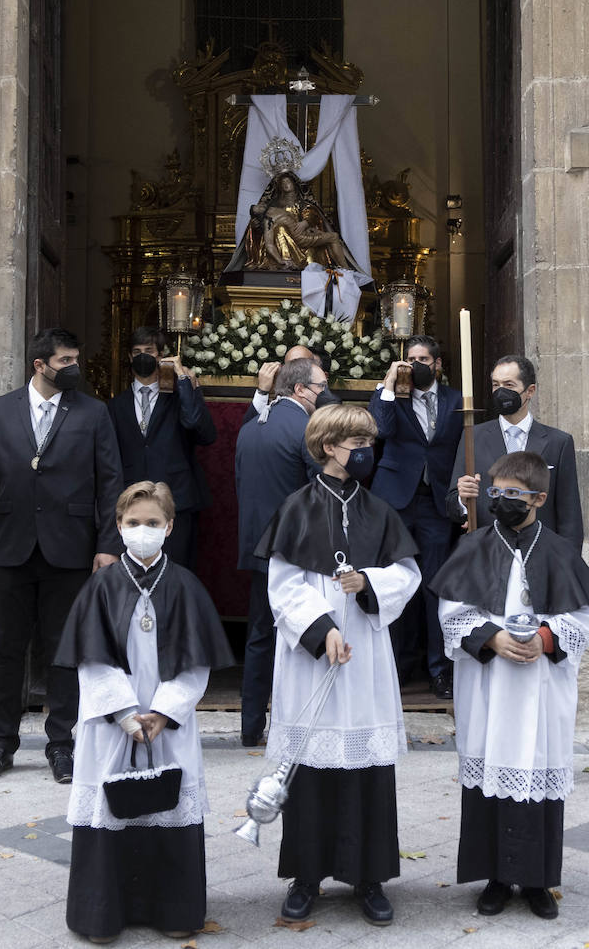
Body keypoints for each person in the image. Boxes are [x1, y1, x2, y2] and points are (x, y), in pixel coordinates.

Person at [255, 404, 420, 926]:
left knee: (368, 767)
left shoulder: (380, 509)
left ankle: (368, 878)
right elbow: (281, 588)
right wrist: (322, 628)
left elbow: (408, 573)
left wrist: (370, 582)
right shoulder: (295, 508)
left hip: (365, 653)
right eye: (359, 443)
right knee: (310, 761)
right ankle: (306, 876)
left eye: (371, 441)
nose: (368, 453)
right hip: (314, 656)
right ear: (329, 447)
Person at [56, 481, 234, 944]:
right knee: (109, 811)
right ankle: (103, 914)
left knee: (170, 806)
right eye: (133, 523)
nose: (142, 531)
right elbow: (91, 659)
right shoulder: (102, 586)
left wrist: (163, 711)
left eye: (152, 523)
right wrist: (124, 715)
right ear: (118, 526)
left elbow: (197, 663)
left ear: (169, 527)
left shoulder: (186, 586)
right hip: (113, 723)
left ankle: (174, 909)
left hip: (167, 724)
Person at [0, 326, 123, 783]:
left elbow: (110, 483)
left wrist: (108, 546)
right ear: (39, 365)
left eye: (75, 359)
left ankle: (61, 744)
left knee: (64, 650)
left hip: (71, 547)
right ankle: (1, 744)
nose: (74, 368)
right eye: (65, 361)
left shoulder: (94, 412)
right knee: (7, 650)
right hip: (14, 547)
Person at [433, 451, 589, 920]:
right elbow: (450, 613)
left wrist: (547, 638)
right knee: (491, 769)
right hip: (490, 680)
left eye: (513, 493)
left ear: (539, 498)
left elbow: (586, 616)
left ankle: (536, 881)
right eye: (496, 492)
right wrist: (492, 636)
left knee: (537, 771)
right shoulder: (472, 547)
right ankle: (493, 878)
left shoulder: (559, 551)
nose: (502, 501)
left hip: (541, 685)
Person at [234, 357, 325, 746]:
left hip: (258, 548)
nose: (323, 394)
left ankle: (250, 726)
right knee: (303, 634)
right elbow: (320, 493)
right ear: (300, 389)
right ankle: (301, 723)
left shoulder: (251, 427)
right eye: (320, 387)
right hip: (297, 550)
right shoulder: (306, 430)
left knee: (259, 637)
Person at [368, 335, 465, 698]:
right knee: (394, 584)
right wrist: (389, 385)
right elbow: (381, 429)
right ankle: (395, 666)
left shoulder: (456, 400)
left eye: (424, 357)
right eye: (411, 358)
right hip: (395, 501)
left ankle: (439, 669)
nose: (417, 363)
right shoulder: (393, 395)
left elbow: (460, 450)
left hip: (436, 504)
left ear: (437, 364)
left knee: (434, 586)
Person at [107, 327, 216, 570]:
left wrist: (183, 380)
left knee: (176, 574)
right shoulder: (115, 405)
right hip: (132, 503)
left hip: (176, 501)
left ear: (161, 356)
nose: (142, 356)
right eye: (137, 352)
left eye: (149, 351)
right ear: (129, 358)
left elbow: (205, 434)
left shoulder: (180, 398)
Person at [450, 354, 584, 550]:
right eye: (496, 385)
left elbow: (569, 515)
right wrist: (462, 499)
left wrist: (568, 566)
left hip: (541, 550)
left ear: (530, 391)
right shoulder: (473, 437)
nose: (500, 391)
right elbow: (452, 503)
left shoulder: (558, 442)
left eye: (509, 385)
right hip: (488, 550)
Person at [229, 171, 361, 273]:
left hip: (302, 233)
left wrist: (306, 223)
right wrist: (256, 225)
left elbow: (312, 213)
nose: (286, 185)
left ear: (294, 184)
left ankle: (343, 269)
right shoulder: (271, 208)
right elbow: (267, 241)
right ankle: (286, 261)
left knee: (326, 241)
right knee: (280, 230)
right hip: (289, 238)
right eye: (283, 183)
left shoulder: (301, 203)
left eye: (288, 182)